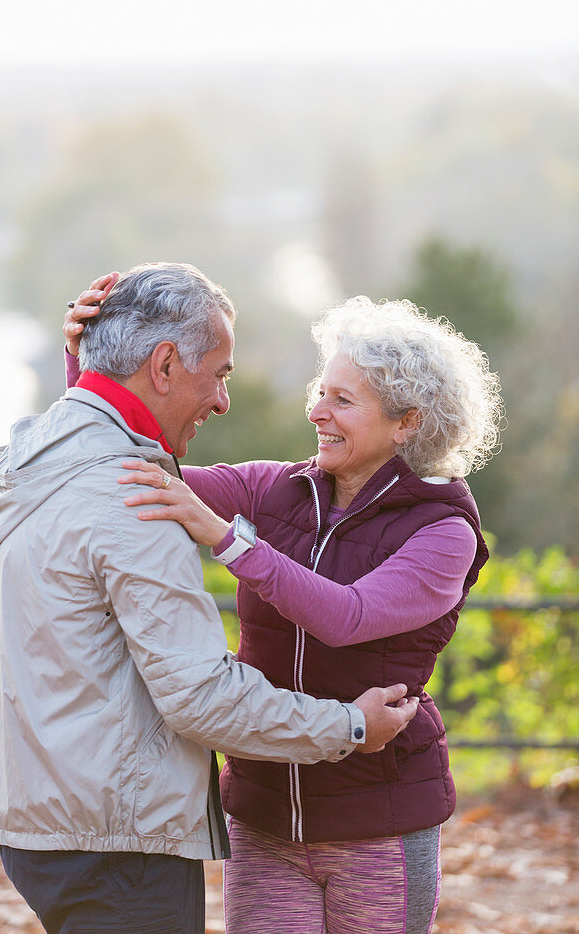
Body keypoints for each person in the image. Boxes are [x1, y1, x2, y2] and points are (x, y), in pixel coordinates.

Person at [0, 263, 418, 934]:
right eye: (221, 373)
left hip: (33, 826)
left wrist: (85, 366)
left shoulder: (17, 462)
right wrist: (348, 728)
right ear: (166, 364)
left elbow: (95, 430)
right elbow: (201, 697)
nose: (222, 401)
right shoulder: (133, 496)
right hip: (119, 846)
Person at [63, 282, 502, 934]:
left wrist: (227, 539)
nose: (317, 412)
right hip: (264, 820)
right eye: (319, 392)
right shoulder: (273, 489)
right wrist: (91, 365)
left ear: (406, 421)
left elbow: (346, 617)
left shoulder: (442, 534)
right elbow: (134, 469)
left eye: (343, 400)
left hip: (377, 825)